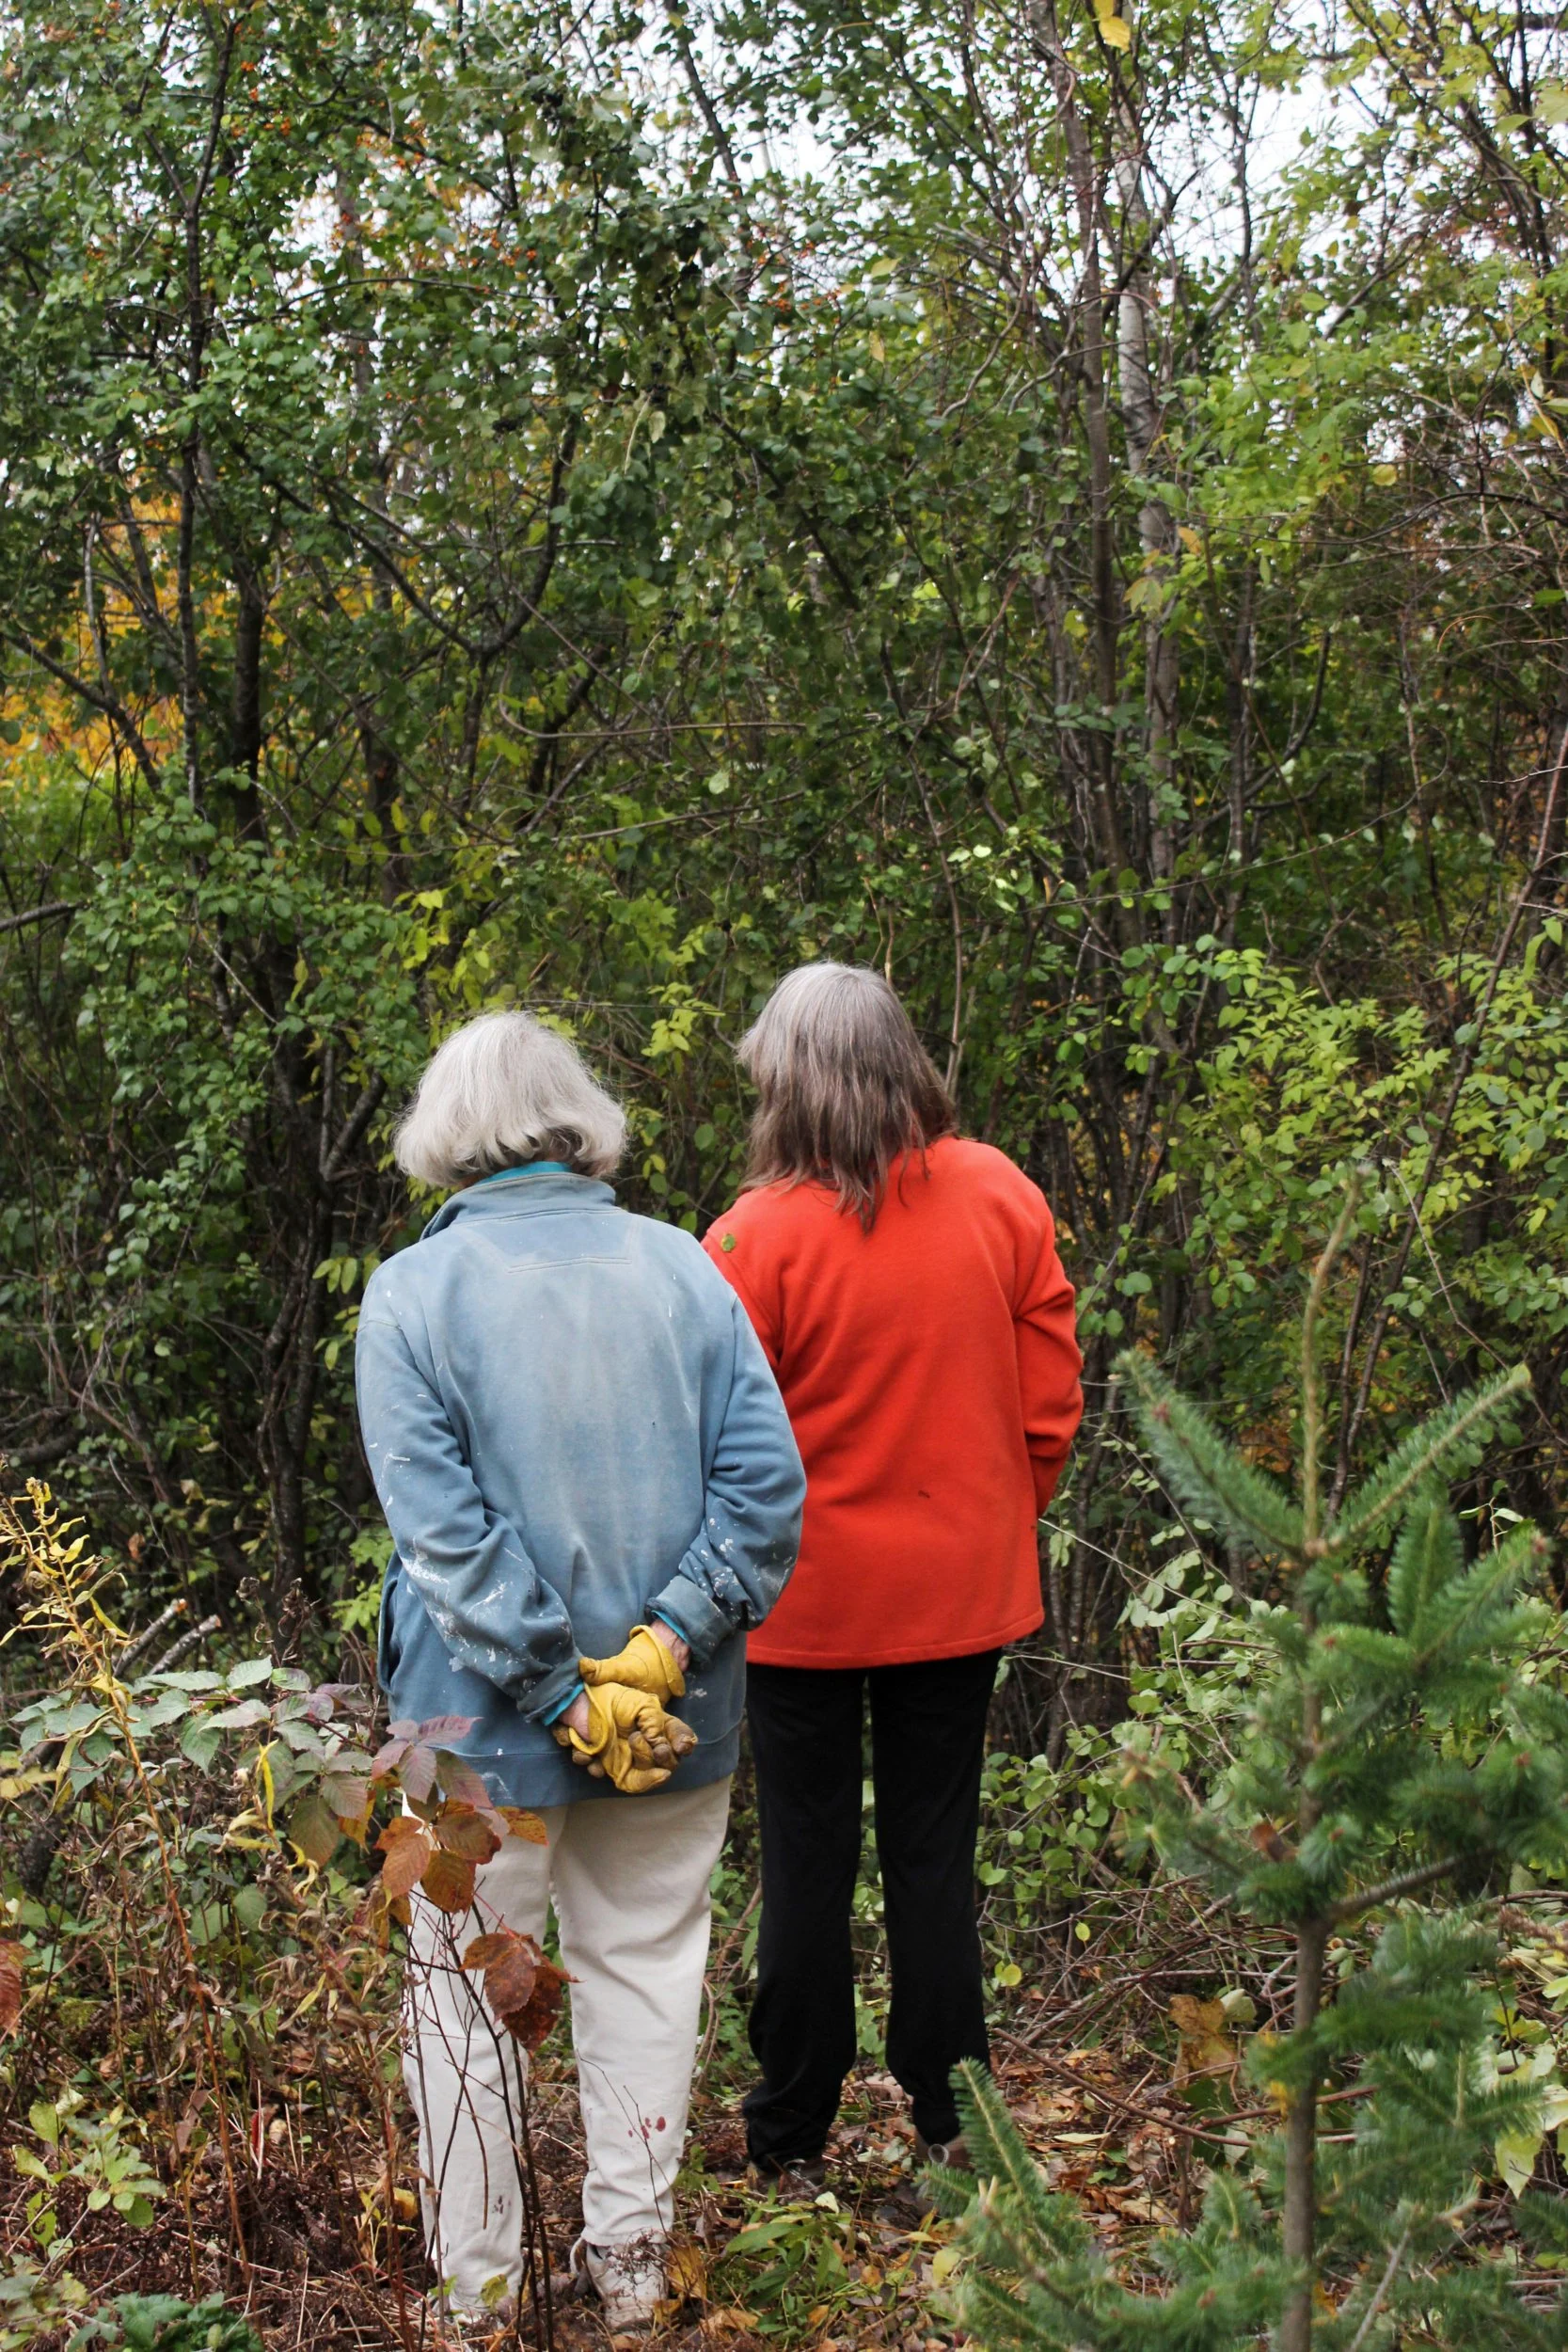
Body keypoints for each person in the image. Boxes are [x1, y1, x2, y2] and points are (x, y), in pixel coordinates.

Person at [356, 1009, 804, 2333]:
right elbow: (764, 1492)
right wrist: (659, 1651)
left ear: (446, 1138)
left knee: (459, 1999)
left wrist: (560, 1692)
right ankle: (628, 2277)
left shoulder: (413, 1294)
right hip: (675, 1721)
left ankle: (479, 2301)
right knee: (648, 1973)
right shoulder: (684, 1269)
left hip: (473, 1737)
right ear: (578, 1122)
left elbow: (445, 1541)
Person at [702, 962, 1083, 2185]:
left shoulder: (749, 1240)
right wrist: (989, 1520)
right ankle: (955, 2134)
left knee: (804, 1869)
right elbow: (1049, 1410)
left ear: (786, 1081)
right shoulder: (999, 1196)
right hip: (956, 1599)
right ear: (903, 1062)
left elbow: (714, 1449)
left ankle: (788, 2144)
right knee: (932, 1863)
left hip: (799, 1610)